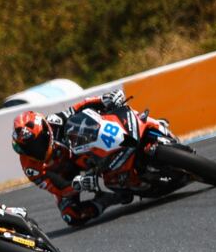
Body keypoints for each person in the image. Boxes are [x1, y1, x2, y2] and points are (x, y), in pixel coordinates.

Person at [11, 89, 133, 226]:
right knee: (70, 215)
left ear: (45, 131)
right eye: (27, 149)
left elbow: (79, 107)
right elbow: (58, 188)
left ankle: (124, 142)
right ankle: (109, 199)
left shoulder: (54, 122)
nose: (34, 151)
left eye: (36, 144)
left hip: (79, 156)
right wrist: (78, 184)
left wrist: (103, 99)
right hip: (69, 178)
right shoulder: (31, 168)